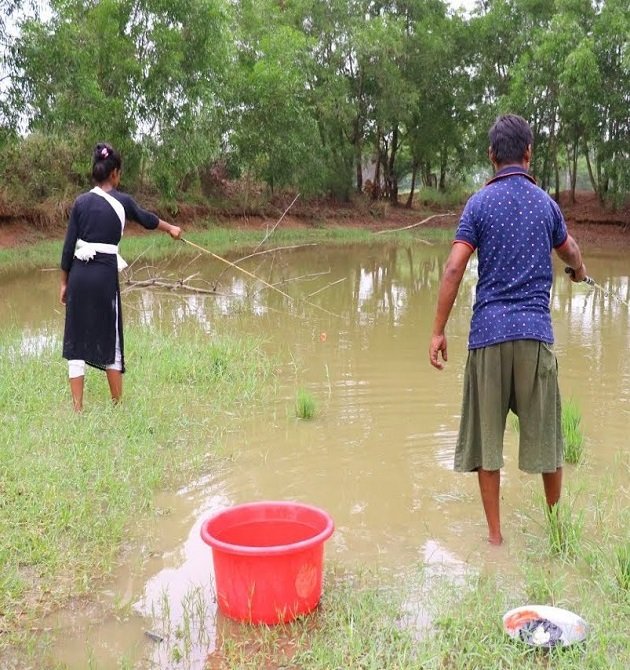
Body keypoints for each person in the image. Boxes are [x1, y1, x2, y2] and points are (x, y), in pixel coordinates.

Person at [428, 114, 586, 545]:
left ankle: (495, 538)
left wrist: (438, 330)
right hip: (535, 336)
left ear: (492, 156)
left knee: (487, 442)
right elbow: (569, 250)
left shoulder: (478, 205)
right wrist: (580, 268)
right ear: (529, 153)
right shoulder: (546, 204)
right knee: (549, 439)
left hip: (489, 337)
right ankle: (556, 533)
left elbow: (455, 266)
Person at [60, 142, 182, 411]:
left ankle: (77, 408)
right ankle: (117, 404)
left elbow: (69, 247)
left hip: (79, 275)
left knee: (77, 337)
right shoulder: (122, 202)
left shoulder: (80, 202)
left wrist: (64, 283)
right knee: (110, 337)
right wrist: (170, 227)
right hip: (104, 275)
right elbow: (148, 219)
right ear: (114, 173)